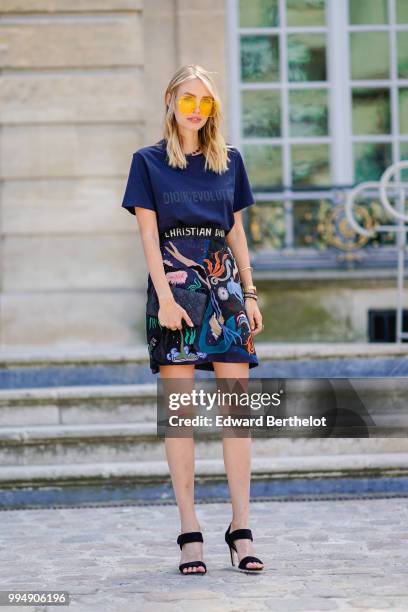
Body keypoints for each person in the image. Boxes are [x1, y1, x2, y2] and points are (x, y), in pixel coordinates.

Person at [121, 64, 264, 574]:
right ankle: (190, 530)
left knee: (237, 413)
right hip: (174, 289)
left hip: (224, 285)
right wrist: (163, 298)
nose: (196, 109)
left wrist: (248, 292)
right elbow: (147, 239)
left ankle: (241, 529)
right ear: (171, 102)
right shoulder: (148, 162)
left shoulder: (230, 161)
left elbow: (237, 232)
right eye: (188, 99)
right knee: (179, 416)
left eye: (205, 101)